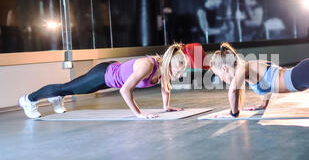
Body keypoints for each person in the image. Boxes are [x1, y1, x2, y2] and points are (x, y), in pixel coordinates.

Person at [18, 44, 188, 119]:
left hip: (110, 77)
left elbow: (165, 87)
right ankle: (28, 100)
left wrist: (166, 106)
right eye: (178, 71)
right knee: (65, 87)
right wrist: (139, 114)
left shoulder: (164, 68)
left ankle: (57, 97)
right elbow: (124, 90)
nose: (179, 75)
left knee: (73, 90)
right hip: (102, 75)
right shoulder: (147, 66)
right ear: (169, 64)